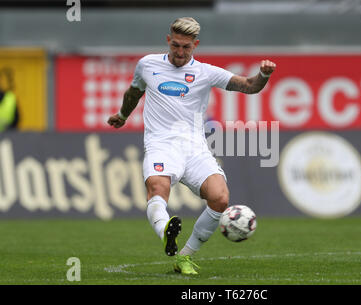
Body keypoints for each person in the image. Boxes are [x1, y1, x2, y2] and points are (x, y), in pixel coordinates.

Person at [107, 17, 276, 275]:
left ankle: (184, 256)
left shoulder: (206, 73)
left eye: (186, 47)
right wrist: (122, 115)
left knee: (220, 198)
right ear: (168, 40)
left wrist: (263, 74)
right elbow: (134, 92)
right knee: (157, 187)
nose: (180, 52)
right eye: (175, 45)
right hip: (161, 144)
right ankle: (166, 231)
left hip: (195, 148)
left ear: (195, 45)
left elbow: (249, 86)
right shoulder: (147, 65)